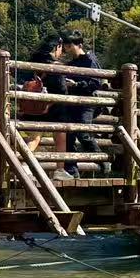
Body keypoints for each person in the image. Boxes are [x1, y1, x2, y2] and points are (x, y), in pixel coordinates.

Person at [54, 31, 102, 177]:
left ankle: (103, 161)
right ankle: (71, 170)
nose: (67, 49)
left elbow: (96, 83)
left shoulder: (90, 60)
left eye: (70, 45)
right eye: (66, 46)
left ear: (79, 45)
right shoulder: (71, 63)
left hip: (87, 102)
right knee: (69, 135)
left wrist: (77, 84)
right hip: (73, 102)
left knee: (84, 134)